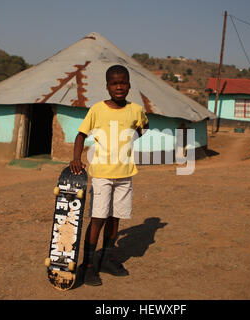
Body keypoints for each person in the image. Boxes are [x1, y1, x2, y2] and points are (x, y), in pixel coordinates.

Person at [69, 65, 149, 286]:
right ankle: (88, 266)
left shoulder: (135, 110)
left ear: (129, 85)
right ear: (107, 86)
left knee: (115, 217)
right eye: (114, 83)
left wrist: (130, 139)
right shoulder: (97, 110)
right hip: (102, 175)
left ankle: (106, 259)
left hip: (125, 174)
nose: (119, 87)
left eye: (123, 82)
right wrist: (76, 158)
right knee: (98, 219)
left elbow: (145, 126)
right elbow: (80, 134)